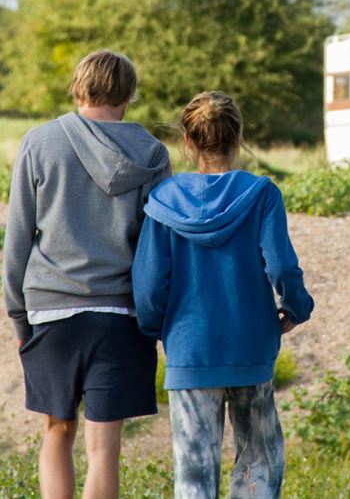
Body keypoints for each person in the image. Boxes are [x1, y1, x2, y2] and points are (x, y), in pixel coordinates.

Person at [3, 49, 171, 499]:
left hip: (51, 311)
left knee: (56, 431)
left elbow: (18, 236)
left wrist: (18, 318)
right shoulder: (153, 154)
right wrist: (154, 320)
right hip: (120, 315)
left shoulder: (39, 143)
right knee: (105, 448)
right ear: (130, 94)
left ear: (78, 88)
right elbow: (156, 248)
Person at [132, 91, 315, 499]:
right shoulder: (262, 194)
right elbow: (282, 267)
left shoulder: (163, 201)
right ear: (238, 136)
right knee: (258, 464)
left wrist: (157, 328)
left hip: (189, 349)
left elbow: (147, 284)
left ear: (188, 140)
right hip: (251, 345)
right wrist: (296, 308)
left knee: (194, 473)